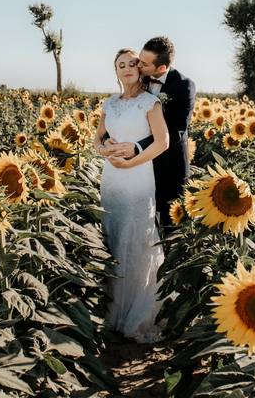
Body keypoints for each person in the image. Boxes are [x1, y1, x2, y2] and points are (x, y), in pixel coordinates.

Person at [93, 48, 170, 343]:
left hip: (137, 179)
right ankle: (111, 311)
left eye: (131, 63)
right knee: (112, 237)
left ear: (140, 68)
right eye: (120, 65)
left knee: (136, 240)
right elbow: (97, 138)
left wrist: (131, 161)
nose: (126, 68)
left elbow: (162, 143)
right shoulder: (109, 104)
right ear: (116, 71)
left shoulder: (149, 103)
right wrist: (105, 151)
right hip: (111, 180)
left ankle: (136, 315)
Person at [105, 36, 196, 228]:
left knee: (171, 225)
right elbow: (122, 114)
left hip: (169, 165)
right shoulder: (140, 77)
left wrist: (137, 148)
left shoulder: (183, 86)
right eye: (139, 58)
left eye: (143, 63)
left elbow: (176, 130)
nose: (138, 65)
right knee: (138, 223)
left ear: (161, 68)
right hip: (138, 169)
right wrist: (108, 141)